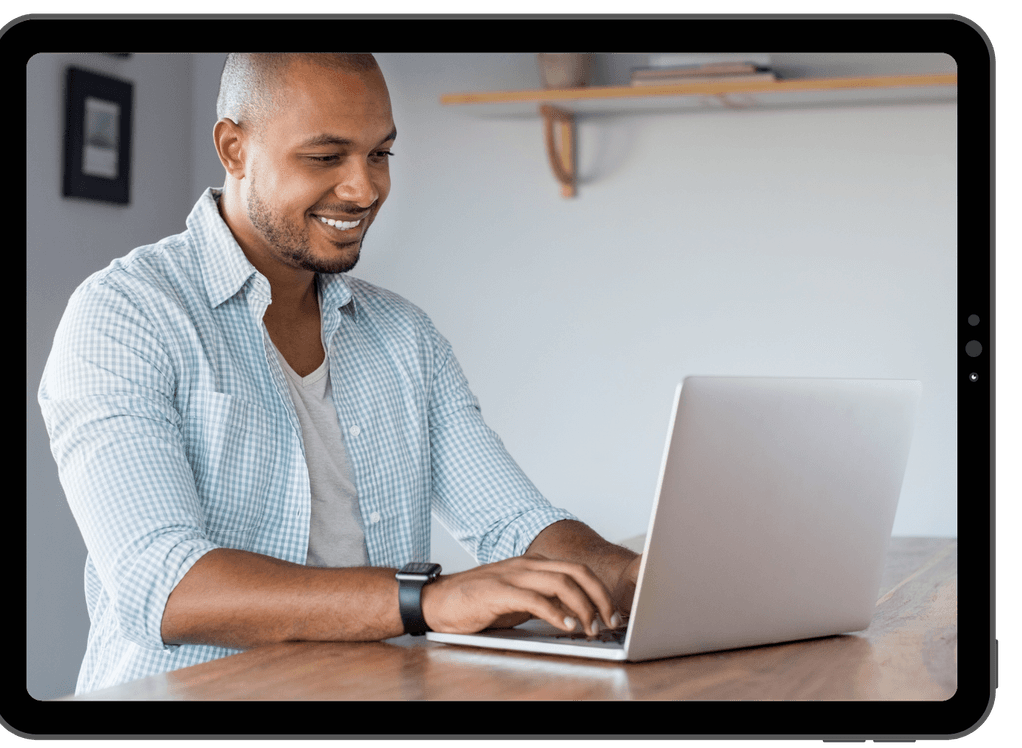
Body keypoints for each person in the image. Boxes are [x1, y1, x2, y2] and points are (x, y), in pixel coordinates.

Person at [38, 53, 641, 695]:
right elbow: (164, 585)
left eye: (379, 154)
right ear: (234, 148)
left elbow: (514, 524)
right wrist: (425, 600)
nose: (363, 190)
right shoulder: (125, 315)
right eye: (325, 157)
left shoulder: (404, 338)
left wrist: (641, 577)